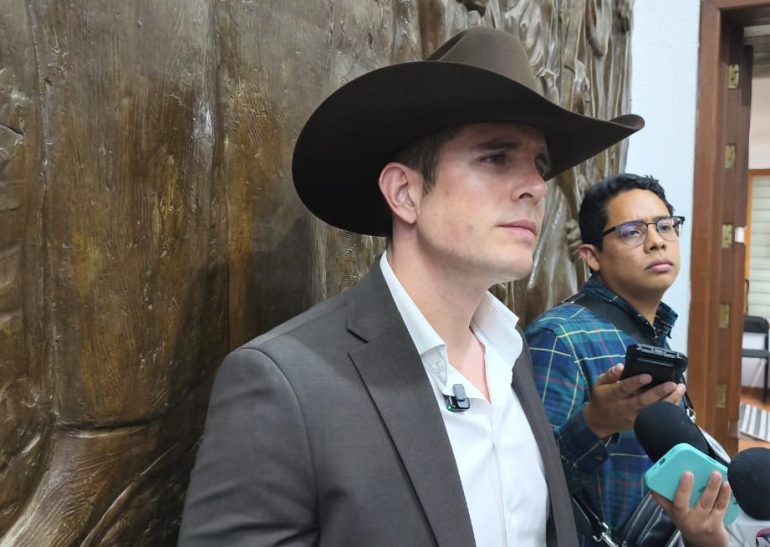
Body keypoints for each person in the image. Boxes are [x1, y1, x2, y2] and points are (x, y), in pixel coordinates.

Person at [178, 28, 642, 547]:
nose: (535, 186)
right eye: (496, 158)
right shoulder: (286, 382)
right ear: (404, 193)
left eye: (539, 166)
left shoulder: (510, 357)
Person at [525, 174, 731, 547]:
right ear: (592, 256)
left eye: (665, 226)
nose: (657, 241)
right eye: (632, 232)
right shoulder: (559, 338)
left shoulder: (653, 333)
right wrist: (596, 424)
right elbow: (527, 487)